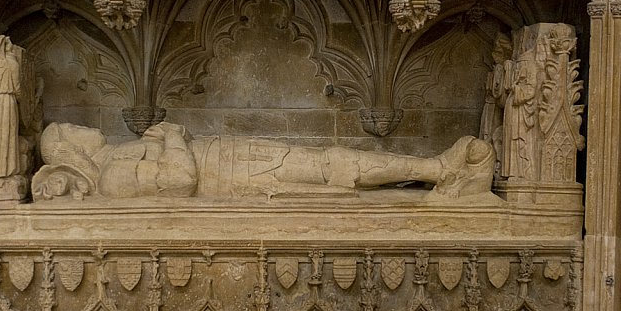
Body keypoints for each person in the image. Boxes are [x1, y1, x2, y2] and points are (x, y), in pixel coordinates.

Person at [31, 121, 495, 201]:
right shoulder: (112, 176)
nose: (81, 130)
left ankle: (434, 171)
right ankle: (437, 171)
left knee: (329, 164)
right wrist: (172, 134)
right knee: (330, 169)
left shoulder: (114, 155)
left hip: (230, 157)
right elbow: (179, 181)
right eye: (71, 134)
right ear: (70, 161)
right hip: (232, 175)